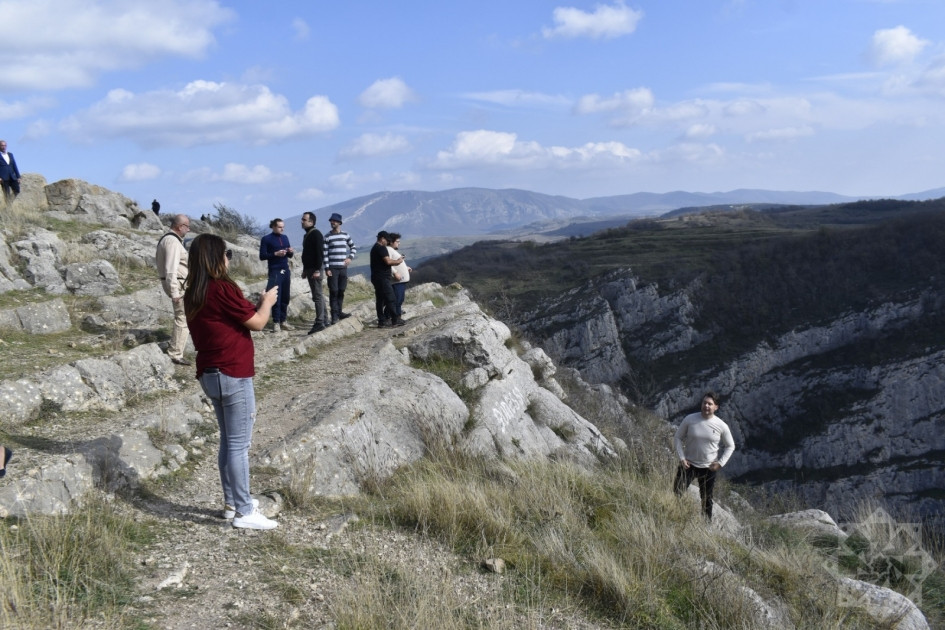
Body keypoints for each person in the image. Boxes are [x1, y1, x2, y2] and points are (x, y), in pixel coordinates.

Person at [184, 233, 279, 530]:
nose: (228, 259)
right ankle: (243, 510)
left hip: (209, 373)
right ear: (217, 257)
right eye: (227, 254)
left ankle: (230, 503)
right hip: (233, 372)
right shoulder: (223, 288)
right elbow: (258, 323)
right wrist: (267, 302)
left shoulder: (194, 292)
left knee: (228, 441)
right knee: (239, 444)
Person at [673, 392, 735, 521]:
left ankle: (706, 527)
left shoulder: (721, 425)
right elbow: (678, 437)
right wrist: (682, 458)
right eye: (704, 403)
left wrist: (720, 463)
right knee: (677, 492)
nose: (706, 406)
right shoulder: (690, 419)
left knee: (706, 500)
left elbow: (730, 446)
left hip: (708, 468)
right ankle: (673, 517)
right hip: (688, 464)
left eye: (710, 404)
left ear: (716, 407)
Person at [155, 214, 193, 366]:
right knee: (182, 317)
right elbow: (171, 268)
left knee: (184, 316)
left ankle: (177, 350)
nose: (188, 230)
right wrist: (175, 291)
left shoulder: (171, 240)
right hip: (178, 284)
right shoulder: (171, 241)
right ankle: (175, 354)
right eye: (187, 226)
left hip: (179, 283)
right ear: (180, 226)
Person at [259, 218, 294, 332]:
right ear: (273, 227)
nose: (282, 229)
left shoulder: (285, 237)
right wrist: (275, 254)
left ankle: (283, 321)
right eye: (279, 227)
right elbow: (262, 256)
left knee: (285, 296)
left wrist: (290, 251)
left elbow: (290, 256)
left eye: (283, 226)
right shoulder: (266, 239)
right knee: (276, 297)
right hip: (274, 271)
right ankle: (276, 323)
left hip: (285, 270)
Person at [323, 212, 356, 325]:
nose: (332, 222)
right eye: (331, 221)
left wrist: (350, 258)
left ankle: (339, 312)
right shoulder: (327, 236)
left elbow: (353, 247)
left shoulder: (345, 235)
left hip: (343, 268)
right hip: (332, 268)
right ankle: (334, 316)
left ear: (339, 223)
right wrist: (327, 268)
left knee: (341, 290)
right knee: (334, 291)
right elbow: (325, 254)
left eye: (334, 221)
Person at [370, 231, 405, 327]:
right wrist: (398, 261)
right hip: (383, 278)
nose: (388, 242)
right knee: (391, 298)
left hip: (376, 277)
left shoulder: (374, 248)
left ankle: (382, 321)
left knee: (380, 299)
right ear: (382, 239)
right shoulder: (381, 248)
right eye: (387, 240)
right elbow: (388, 261)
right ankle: (394, 320)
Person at [300, 212, 328, 334]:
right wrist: (305, 269)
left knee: (317, 296)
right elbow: (307, 254)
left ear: (311, 222)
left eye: (304, 219)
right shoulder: (307, 235)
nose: (302, 221)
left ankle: (319, 322)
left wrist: (317, 269)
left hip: (315, 269)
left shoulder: (316, 234)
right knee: (318, 295)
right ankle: (325, 320)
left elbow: (319, 253)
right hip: (310, 269)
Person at [387, 232, 412, 321]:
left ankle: (389, 316)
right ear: (391, 242)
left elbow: (395, 263)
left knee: (398, 299)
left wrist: (405, 268)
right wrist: (395, 273)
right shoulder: (388, 250)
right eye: (397, 241)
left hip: (400, 280)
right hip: (397, 281)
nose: (399, 243)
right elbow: (388, 264)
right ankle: (396, 317)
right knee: (398, 299)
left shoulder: (392, 250)